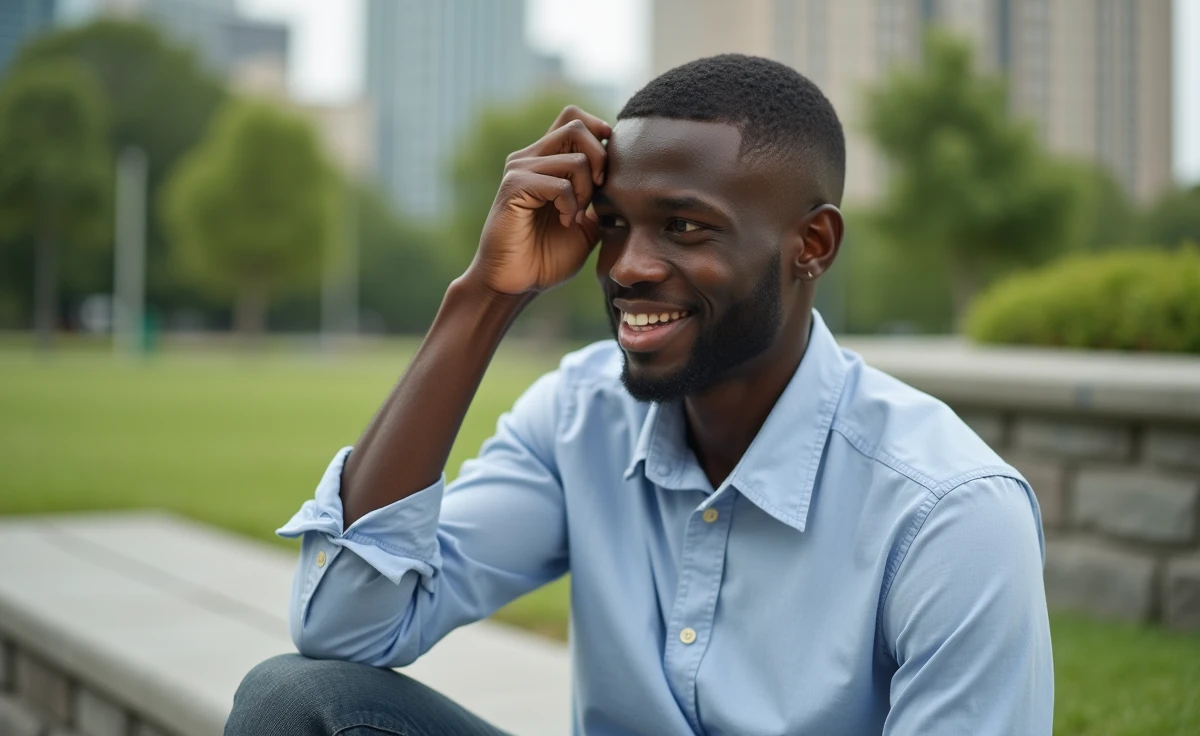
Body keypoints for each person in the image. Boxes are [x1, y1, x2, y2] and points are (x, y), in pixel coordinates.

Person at [226, 54, 1053, 736]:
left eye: (685, 227)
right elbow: (344, 624)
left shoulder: (950, 514)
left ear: (812, 245)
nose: (627, 266)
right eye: (614, 223)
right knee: (294, 705)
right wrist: (485, 296)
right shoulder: (580, 417)